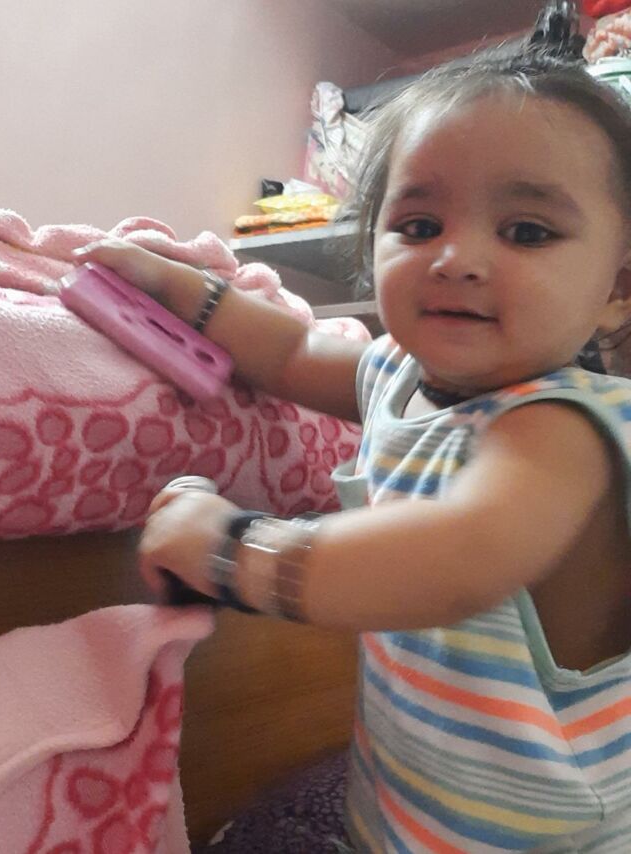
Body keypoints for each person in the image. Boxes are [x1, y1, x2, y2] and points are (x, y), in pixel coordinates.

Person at [73, 5, 631, 850]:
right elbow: (294, 350)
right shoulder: (397, 375)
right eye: (419, 226)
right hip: (405, 798)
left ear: (617, 288)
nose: (455, 258)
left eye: (526, 232)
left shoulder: (567, 430)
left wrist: (231, 550)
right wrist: (182, 288)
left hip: (542, 836)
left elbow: (454, 561)